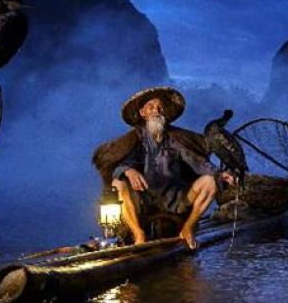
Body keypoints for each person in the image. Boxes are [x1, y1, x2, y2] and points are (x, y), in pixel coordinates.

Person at [92, 86, 235, 250]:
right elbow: (123, 163)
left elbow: (198, 162)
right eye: (151, 107)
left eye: (160, 107)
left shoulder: (175, 139)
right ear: (142, 113)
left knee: (210, 181)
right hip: (145, 200)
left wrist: (219, 174)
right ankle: (138, 234)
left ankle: (187, 229)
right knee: (118, 184)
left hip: (175, 200)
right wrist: (128, 171)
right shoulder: (136, 139)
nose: (156, 111)